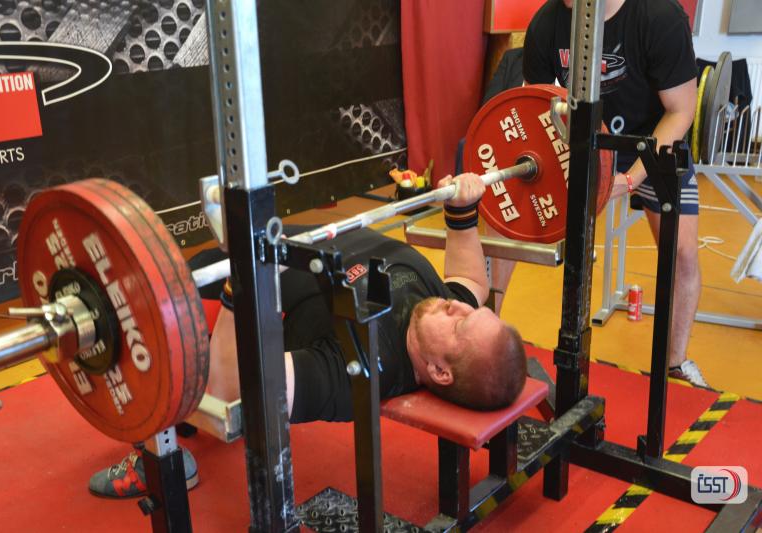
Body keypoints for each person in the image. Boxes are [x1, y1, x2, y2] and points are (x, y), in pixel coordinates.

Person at [89, 172, 528, 497]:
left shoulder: (360, 370)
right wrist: (461, 213)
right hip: (272, 249)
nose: (457, 307)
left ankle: (161, 460)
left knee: (134, 317)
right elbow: (472, 281)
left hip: (229, 301)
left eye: (462, 323)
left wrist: (243, 282)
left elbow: (230, 388)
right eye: (470, 311)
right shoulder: (439, 308)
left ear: (439, 372)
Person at [489, 0, 707, 386]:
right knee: (505, 221)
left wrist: (631, 179)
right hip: (580, 143)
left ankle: (675, 362)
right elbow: (537, 105)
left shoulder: (659, 17)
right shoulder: (546, 23)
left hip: (651, 142)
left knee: (682, 254)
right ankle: (485, 336)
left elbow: (680, 112)